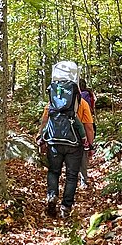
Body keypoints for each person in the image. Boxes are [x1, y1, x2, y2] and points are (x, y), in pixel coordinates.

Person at [37, 61, 94, 219]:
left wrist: (41, 137)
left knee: (54, 172)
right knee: (71, 175)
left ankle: (51, 197)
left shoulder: (52, 103)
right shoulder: (81, 103)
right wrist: (90, 144)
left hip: (54, 141)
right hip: (74, 143)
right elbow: (88, 126)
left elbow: (45, 121)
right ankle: (65, 207)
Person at [78, 78, 97, 187]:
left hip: (75, 127)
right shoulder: (88, 94)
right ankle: (83, 180)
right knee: (83, 154)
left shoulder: (77, 96)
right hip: (86, 122)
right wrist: (91, 144)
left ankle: (73, 178)